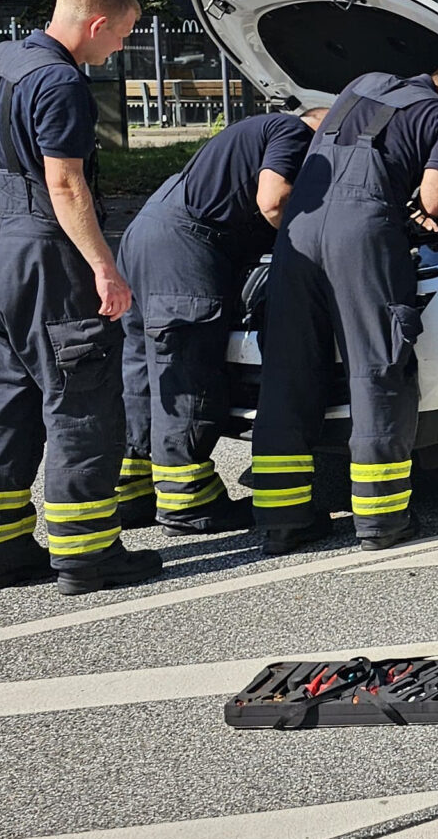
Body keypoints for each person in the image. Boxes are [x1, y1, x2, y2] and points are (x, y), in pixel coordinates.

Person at [0, 0, 161, 596]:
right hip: (48, 258)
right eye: (120, 37)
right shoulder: (61, 82)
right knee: (80, 403)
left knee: (3, 406)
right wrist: (104, 266)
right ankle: (87, 556)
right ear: (97, 25)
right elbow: (65, 184)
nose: (117, 50)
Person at [250, 61, 438, 553]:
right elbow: (437, 201)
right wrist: (428, 208)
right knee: (377, 370)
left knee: (288, 372)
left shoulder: (360, 85)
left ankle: (282, 520)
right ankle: (381, 520)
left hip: (299, 233)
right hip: (361, 237)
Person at [114, 108, 321, 535]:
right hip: (184, 254)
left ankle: (132, 494)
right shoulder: (293, 131)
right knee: (187, 374)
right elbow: (274, 200)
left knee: (143, 373)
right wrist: (314, 249)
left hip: (145, 236)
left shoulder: (252, 130)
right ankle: (188, 503)